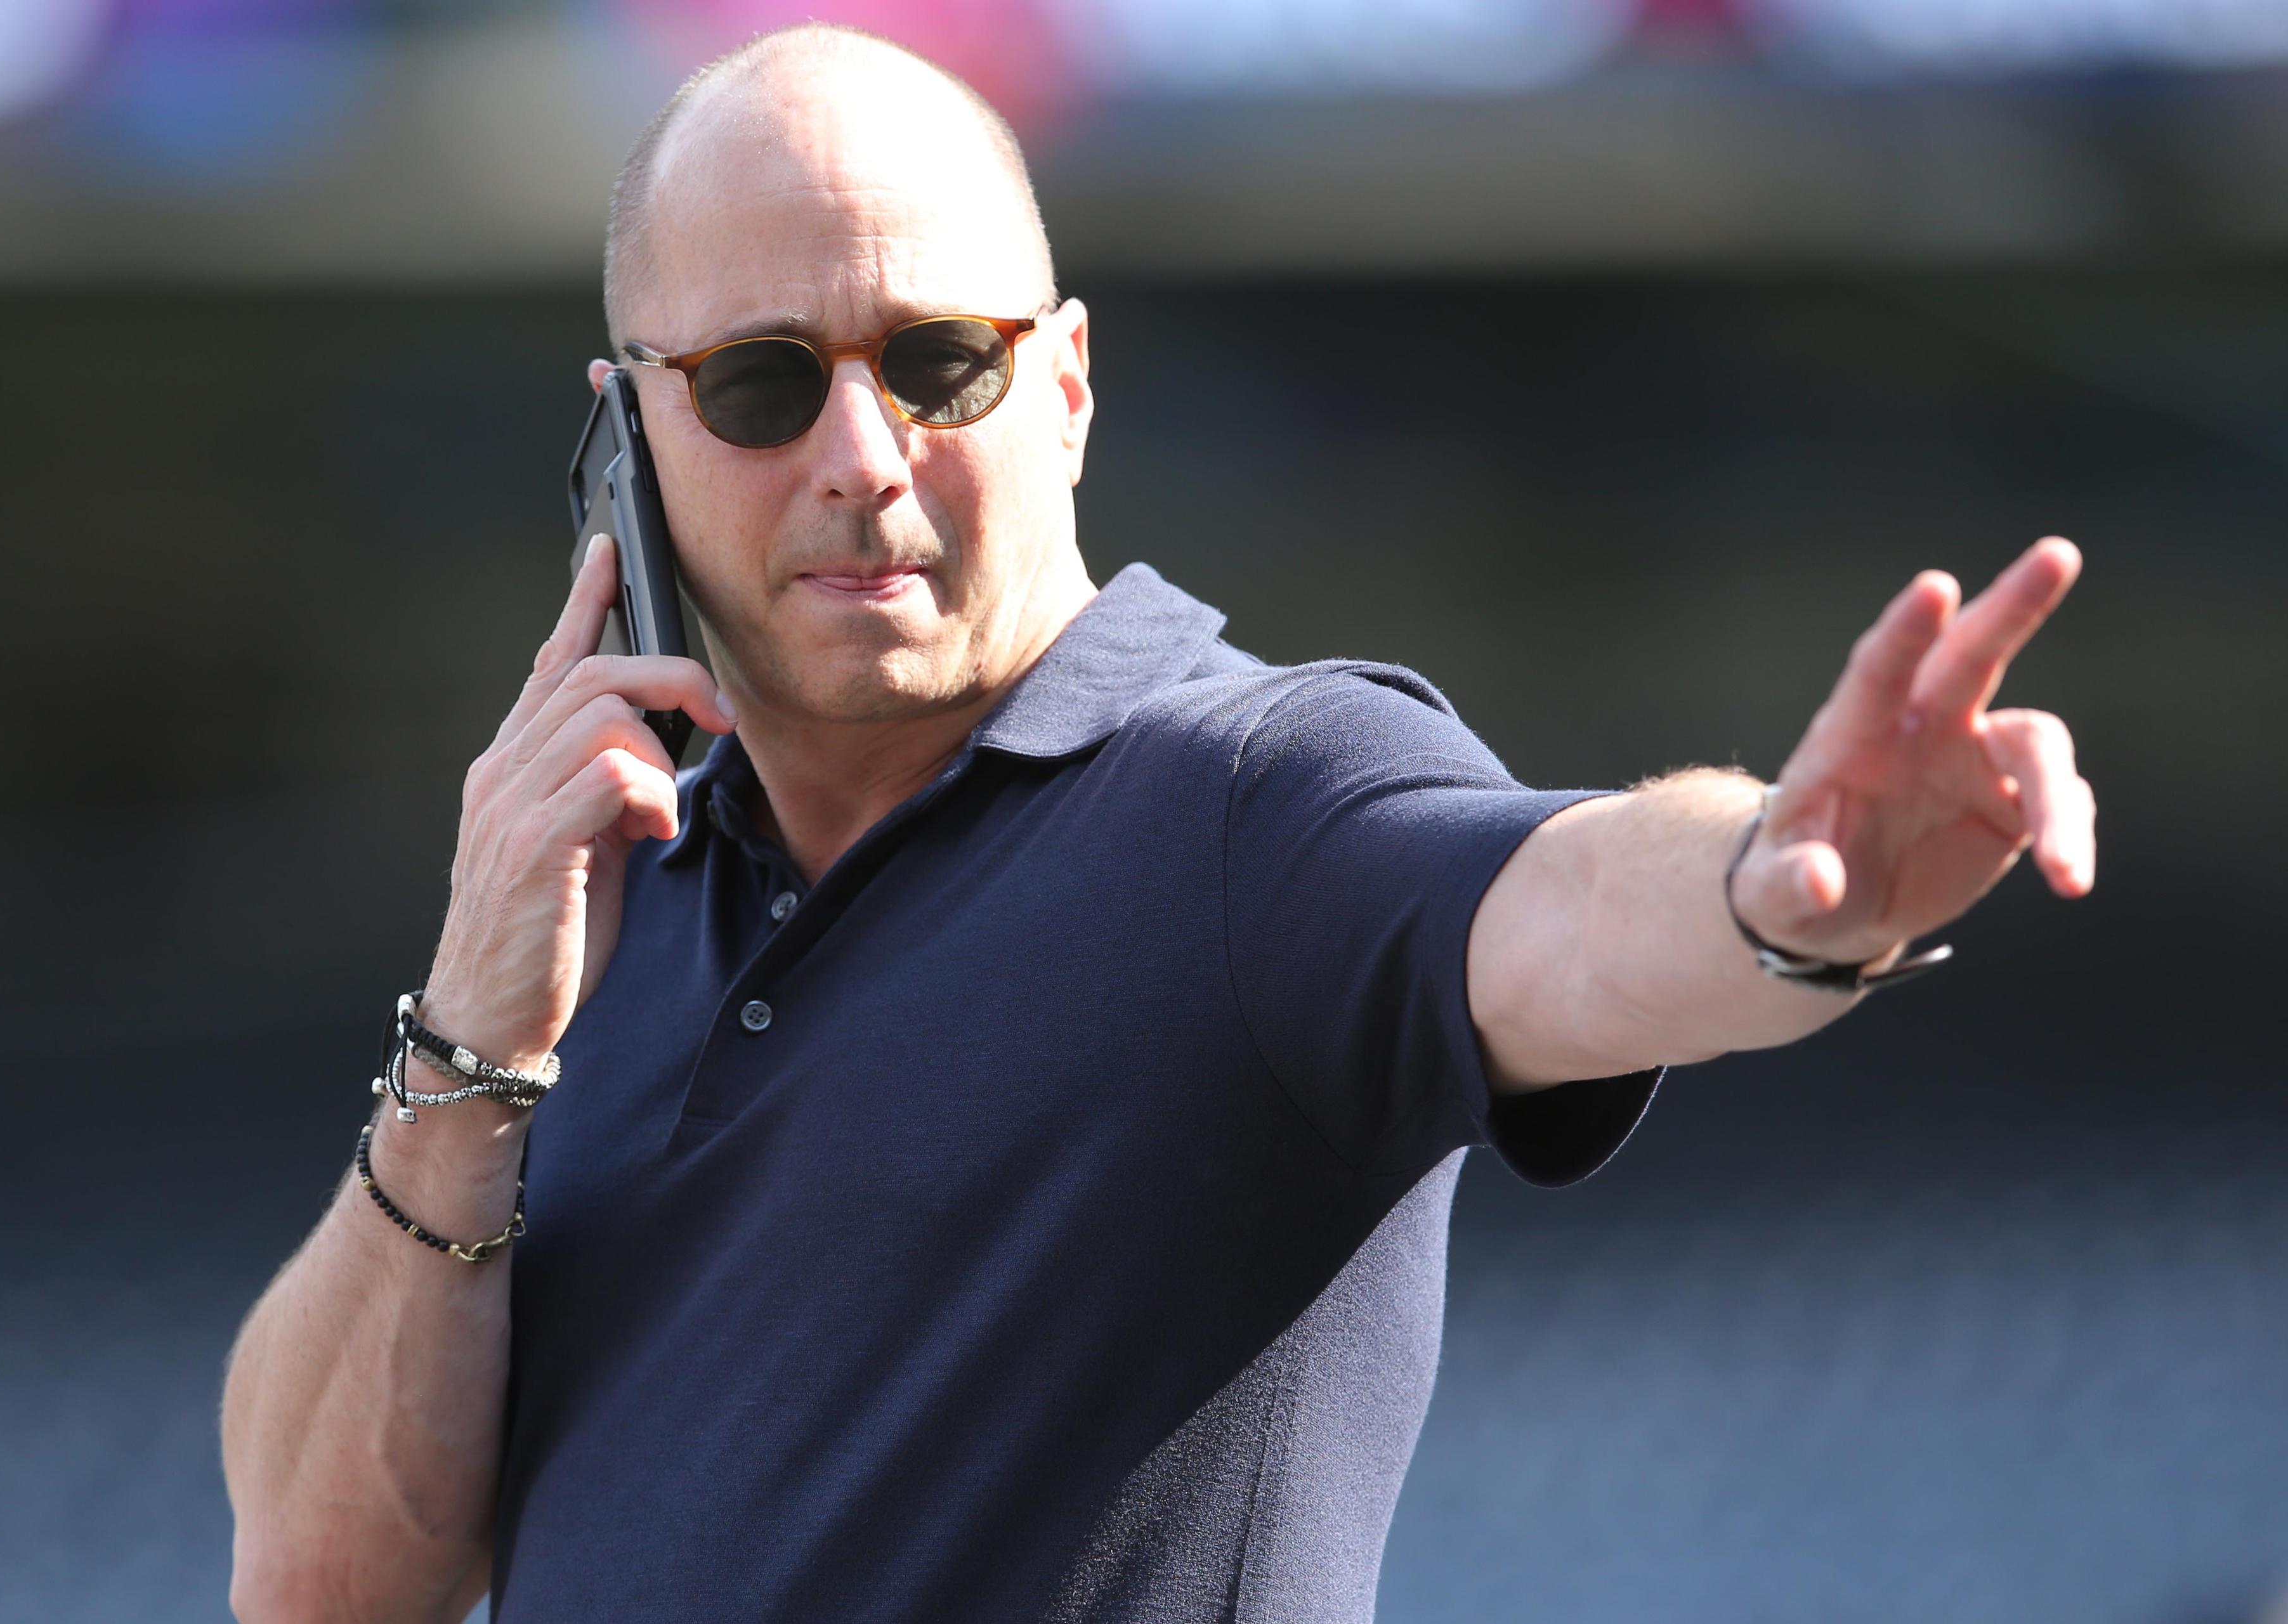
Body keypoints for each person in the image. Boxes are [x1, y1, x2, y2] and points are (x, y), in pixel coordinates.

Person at [218, 23, 2096, 1624]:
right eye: (763, 383)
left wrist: (1784, 885)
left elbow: (1576, 908)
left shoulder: (1255, 799)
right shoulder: (578, 911)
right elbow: (317, 1582)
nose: (861, 459)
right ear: (628, 440)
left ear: (1068, 391)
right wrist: (475, 1041)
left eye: (941, 362)